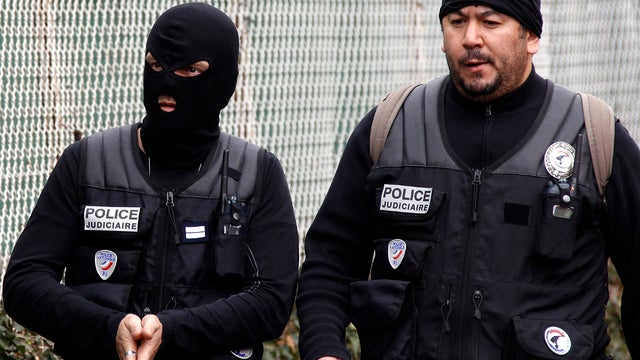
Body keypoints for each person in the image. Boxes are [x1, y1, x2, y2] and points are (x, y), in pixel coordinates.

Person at [296, 0, 640, 359]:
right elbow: (329, 263)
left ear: (532, 36)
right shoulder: (392, 127)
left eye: (490, 22)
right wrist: (324, 349)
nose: (471, 38)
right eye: (457, 21)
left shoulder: (594, 137)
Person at [2, 3, 299, 360]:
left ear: (224, 79)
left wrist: (171, 331)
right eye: (156, 65)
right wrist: (108, 327)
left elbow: (271, 300)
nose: (167, 81)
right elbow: (24, 281)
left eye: (190, 70)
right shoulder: (87, 162)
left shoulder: (256, 173)